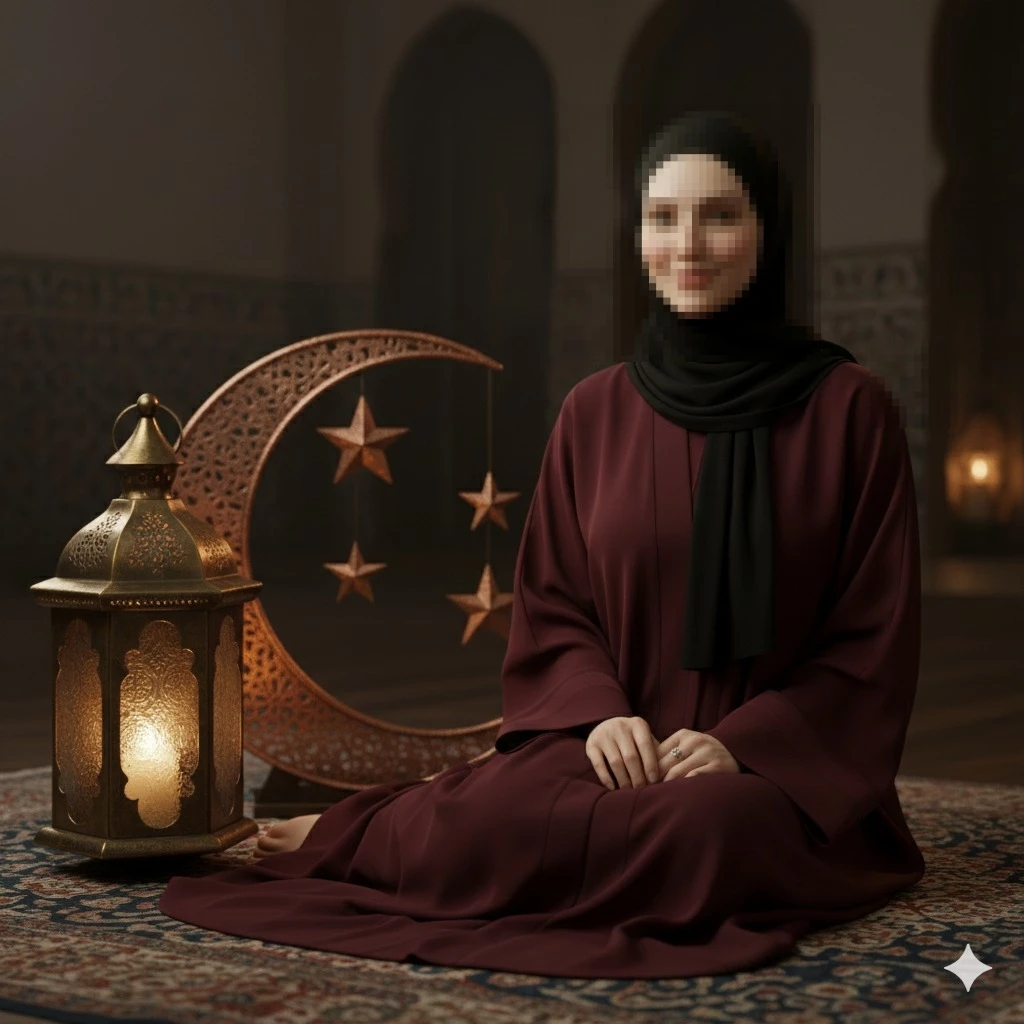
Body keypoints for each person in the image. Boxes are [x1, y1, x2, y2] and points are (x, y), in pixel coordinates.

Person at [159, 110, 926, 979]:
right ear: (636, 235)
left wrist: (741, 744)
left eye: (721, 215)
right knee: (494, 812)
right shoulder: (595, 409)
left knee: (711, 834)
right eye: (662, 217)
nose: (689, 243)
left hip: (777, 774)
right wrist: (599, 715)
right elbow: (556, 605)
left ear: (768, 229)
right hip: (613, 740)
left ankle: (429, 851)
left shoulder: (848, 408)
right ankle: (359, 835)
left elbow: (871, 636)